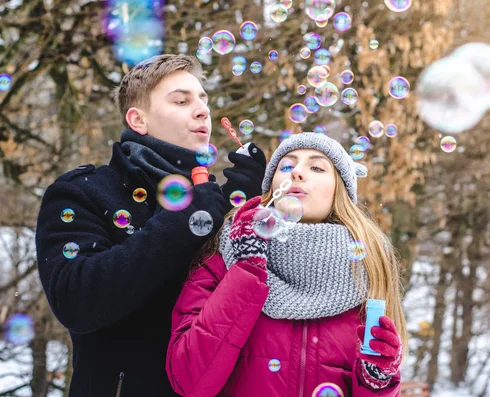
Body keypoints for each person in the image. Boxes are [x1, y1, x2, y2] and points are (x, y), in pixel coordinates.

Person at [35, 54, 266, 397]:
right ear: (137, 119)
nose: (203, 111)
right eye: (181, 100)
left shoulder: (213, 205)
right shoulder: (82, 192)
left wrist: (242, 207)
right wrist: (187, 220)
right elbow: (77, 300)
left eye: (204, 100)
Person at [167, 133, 409, 396]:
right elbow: (189, 381)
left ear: (341, 191)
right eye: (286, 166)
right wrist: (247, 267)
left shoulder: (367, 267)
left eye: (316, 167)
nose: (296, 172)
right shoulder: (224, 254)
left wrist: (376, 382)